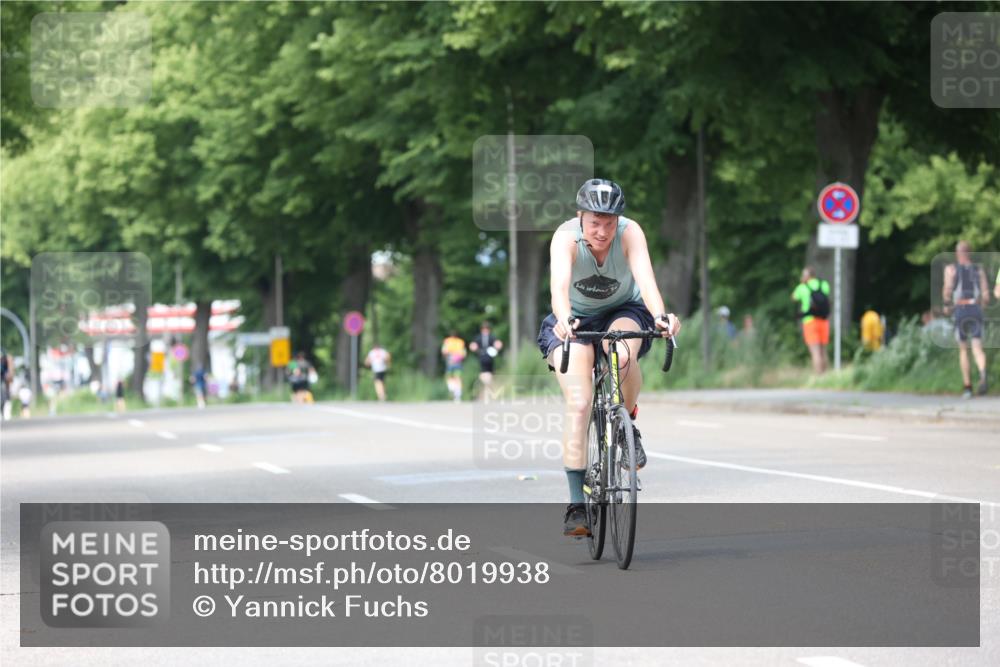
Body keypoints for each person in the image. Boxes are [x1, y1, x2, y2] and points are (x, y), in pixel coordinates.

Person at [536, 178, 679, 537]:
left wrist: (661, 315)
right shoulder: (565, 238)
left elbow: (646, 281)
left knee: (621, 354)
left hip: (624, 310)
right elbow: (558, 287)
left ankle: (627, 423)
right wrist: (566, 319)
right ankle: (575, 506)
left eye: (609, 223)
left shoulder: (631, 233)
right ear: (580, 217)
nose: (602, 231)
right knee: (580, 403)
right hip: (574, 318)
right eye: (595, 222)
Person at [943, 241, 989, 397]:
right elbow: (986, 296)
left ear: (957, 253)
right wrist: (980, 306)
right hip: (975, 309)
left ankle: (968, 387)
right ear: (970, 253)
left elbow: (947, 291)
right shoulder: (979, 270)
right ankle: (983, 373)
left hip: (960, 310)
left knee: (963, 350)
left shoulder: (951, 269)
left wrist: (947, 305)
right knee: (977, 347)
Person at [791, 266, 831, 374]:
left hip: (810, 321)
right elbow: (827, 295)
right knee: (823, 351)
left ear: (806, 276)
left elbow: (794, 297)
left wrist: (802, 283)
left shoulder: (802, 287)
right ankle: (826, 376)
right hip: (823, 321)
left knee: (815, 352)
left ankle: (819, 376)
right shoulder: (823, 284)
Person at [468, 321, 503, 397]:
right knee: (484, 375)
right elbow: (473, 345)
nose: (485, 330)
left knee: (487, 374)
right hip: (482, 358)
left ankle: (492, 390)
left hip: (489, 358)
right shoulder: (479, 337)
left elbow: (498, 344)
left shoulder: (491, 337)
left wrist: (497, 346)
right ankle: (492, 389)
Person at [441, 330, 467, 402]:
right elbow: (464, 353)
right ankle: (457, 394)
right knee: (457, 377)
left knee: (450, 376)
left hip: (450, 361)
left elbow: (444, 351)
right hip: (458, 361)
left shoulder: (447, 341)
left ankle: (453, 390)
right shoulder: (460, 342)